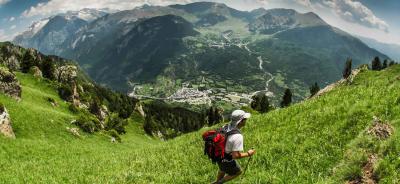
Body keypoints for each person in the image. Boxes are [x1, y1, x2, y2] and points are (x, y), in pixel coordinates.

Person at [212, 110, 256, 184]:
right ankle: (218, 183)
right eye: (245, 119)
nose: (246, 120)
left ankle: (217, 182)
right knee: (238, 172)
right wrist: (248, 153)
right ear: (241, 121)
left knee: (222, 168)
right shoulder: (237, 136)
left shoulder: (225, 126)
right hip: (226, 158)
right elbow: (235, 155)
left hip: (218, 154)